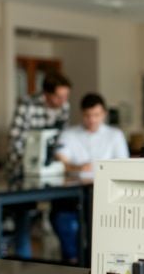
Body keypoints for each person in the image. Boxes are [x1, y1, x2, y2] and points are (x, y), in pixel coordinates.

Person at [50, 92, 129, 263]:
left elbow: (124, 166)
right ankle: (72, 260)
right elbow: (61, 160)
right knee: (62, 219)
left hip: (106, 194)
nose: (92, 120)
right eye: (87, 115)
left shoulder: (115, 135)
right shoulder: (69, 134)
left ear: (104, 114)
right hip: (74, 194)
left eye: (96, 115)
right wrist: (78, 167)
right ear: (82, 114)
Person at [5, 72, 72, 259]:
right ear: (46, 94)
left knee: (62, 209)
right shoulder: (27, 105)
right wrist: (30, 164)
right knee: (24, 212)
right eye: (59, 96)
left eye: (66, 96)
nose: (63, 100)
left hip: (50, 168)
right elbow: (15, 140)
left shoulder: (64, 107)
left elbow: (60, 139)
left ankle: (69, 257)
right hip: (22, 170)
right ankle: (22, 258)